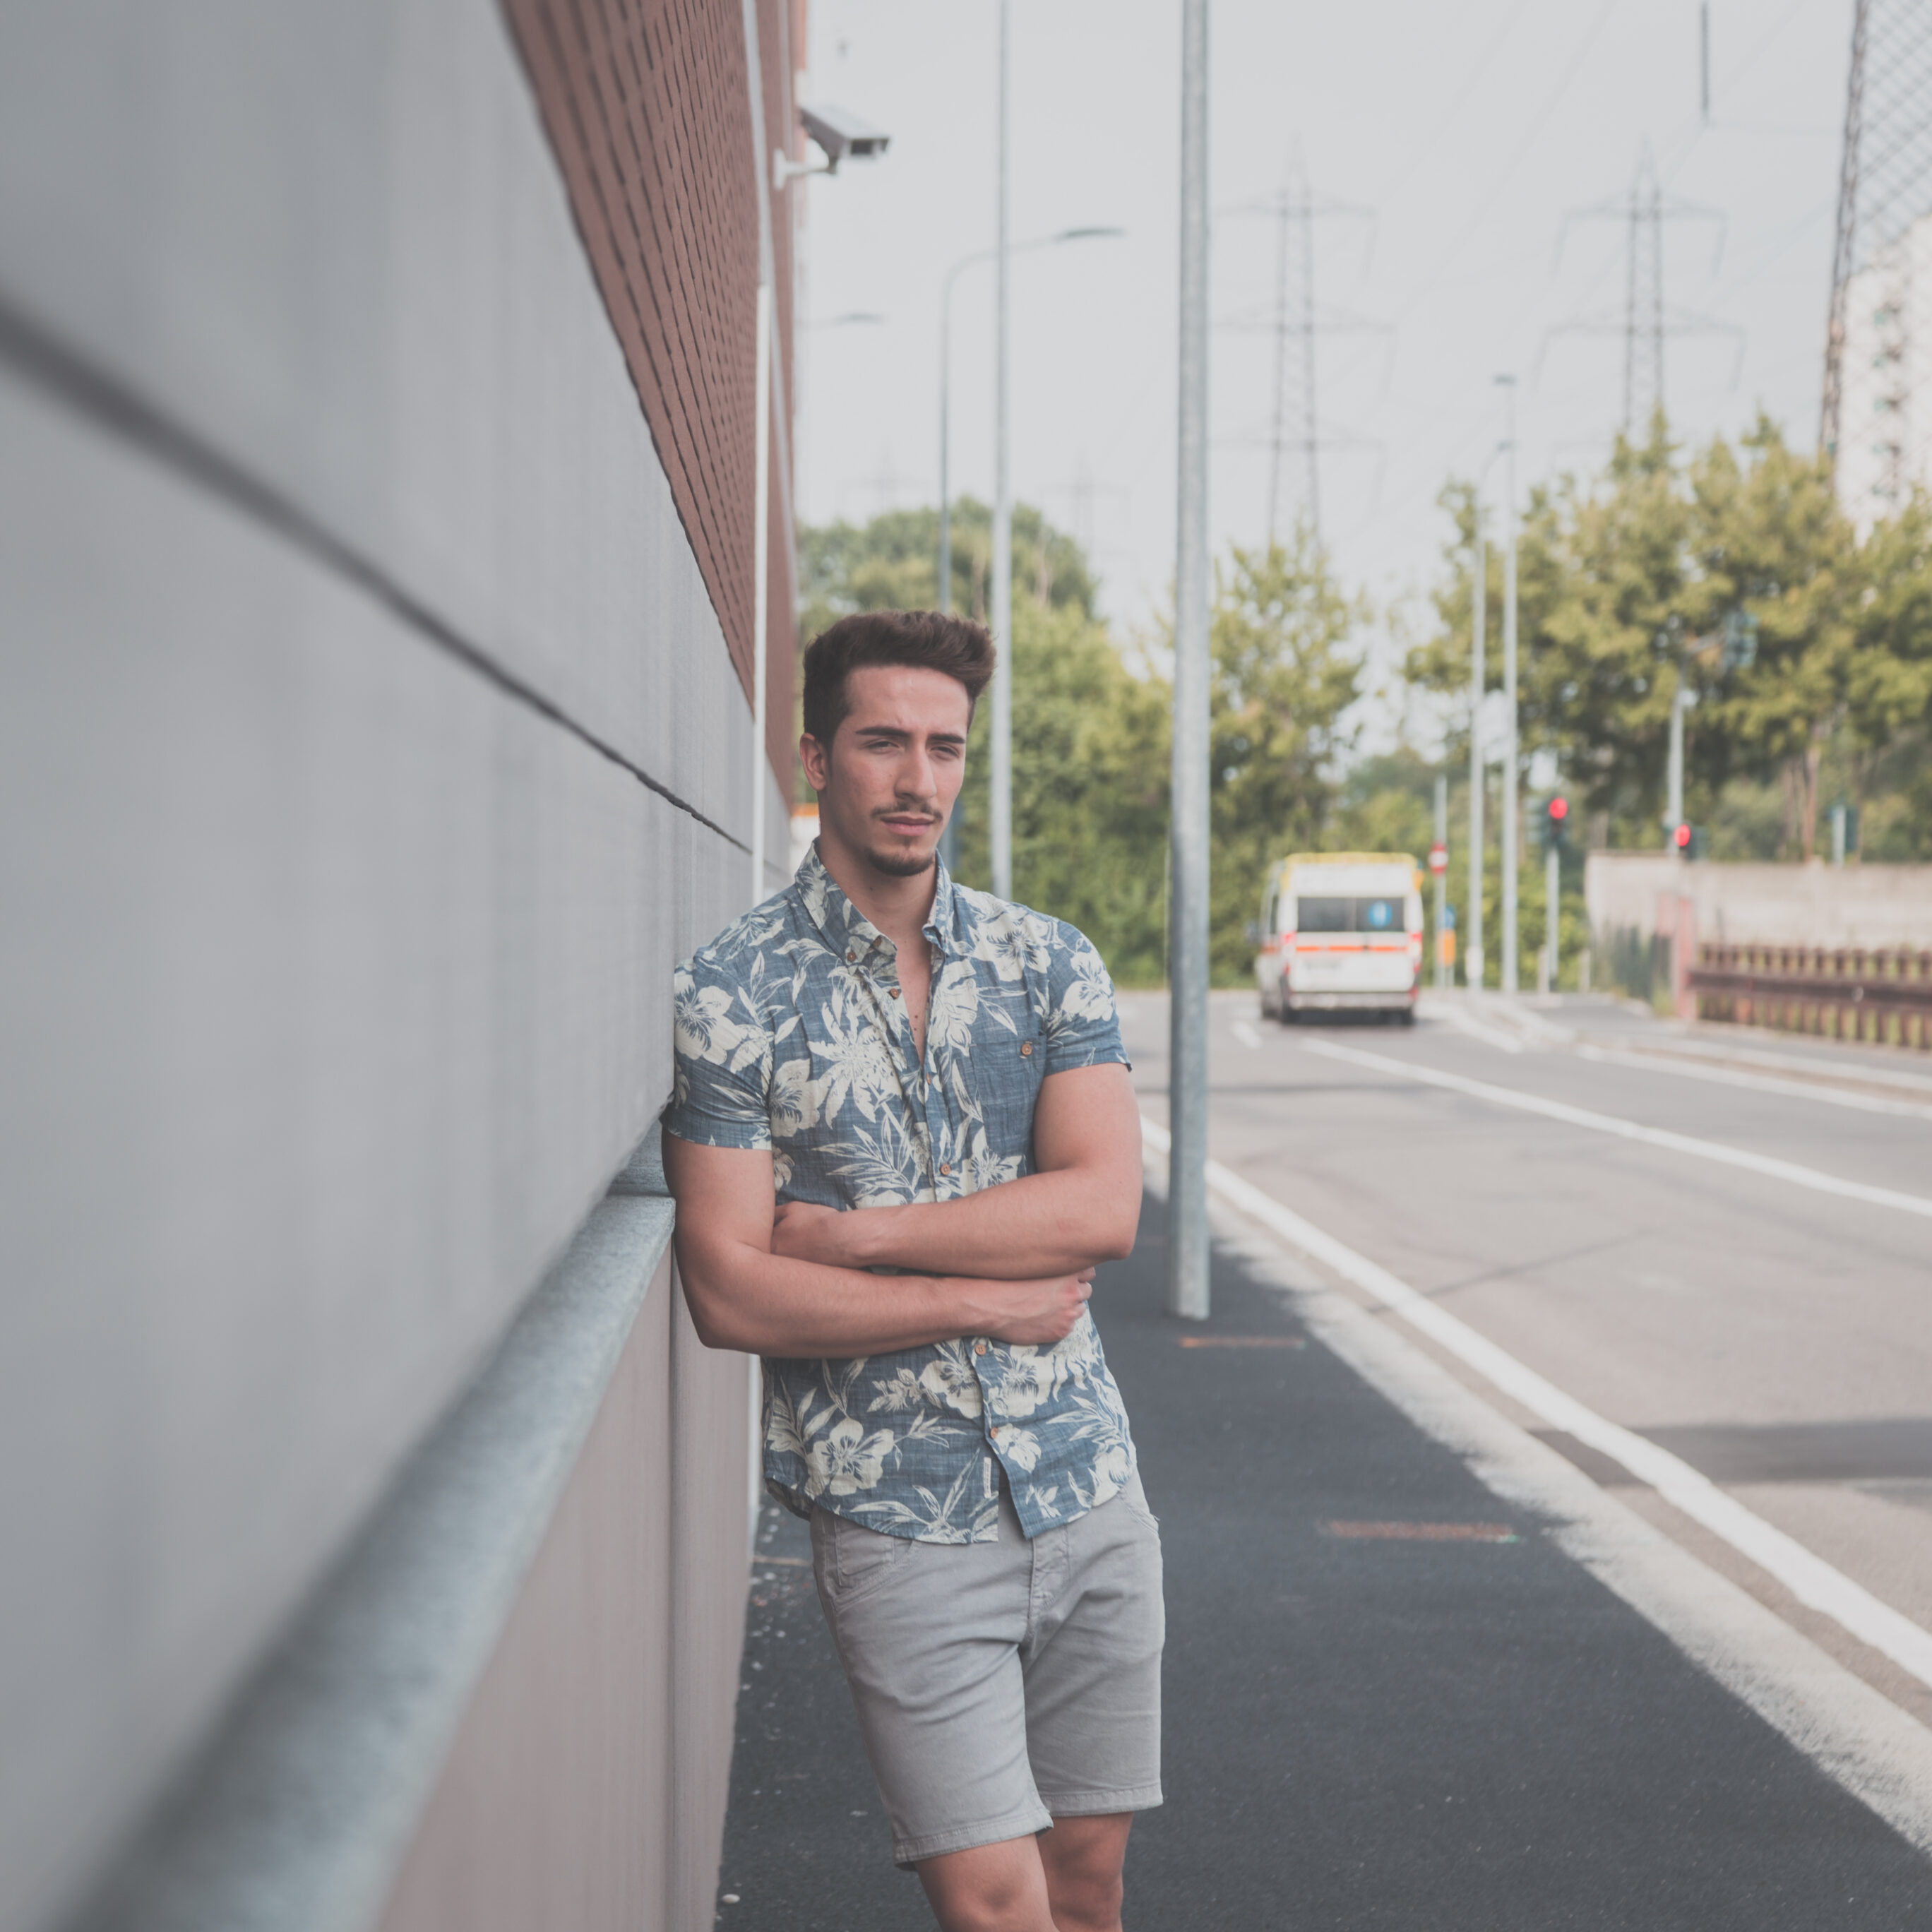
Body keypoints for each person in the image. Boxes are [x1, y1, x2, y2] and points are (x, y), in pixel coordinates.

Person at [662, 608, 1163, 1932]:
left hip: (1085, 1482)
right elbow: (731, 1291)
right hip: (898, 1517)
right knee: (997, 1905)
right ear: (817, 755)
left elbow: (1104, 1207)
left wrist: (857, 1235)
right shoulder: (733, 993)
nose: (918, 778)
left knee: (1089, 1880)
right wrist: (983, 1296)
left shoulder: (1050, 962)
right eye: (884, 741)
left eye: (944, 746)